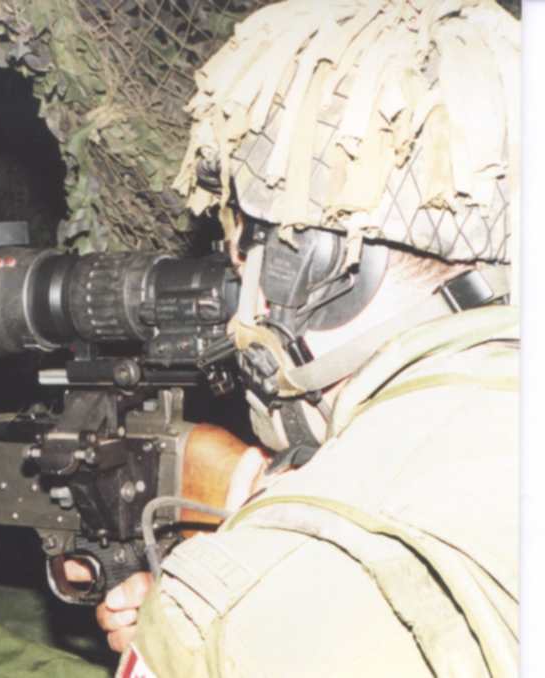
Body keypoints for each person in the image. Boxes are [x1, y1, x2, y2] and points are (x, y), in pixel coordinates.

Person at [82, 0, 521, 675]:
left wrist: (180, 633)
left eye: (242, 249)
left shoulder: (236, 617)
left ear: (309, 266)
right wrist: (260, 498)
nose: (241, 285)